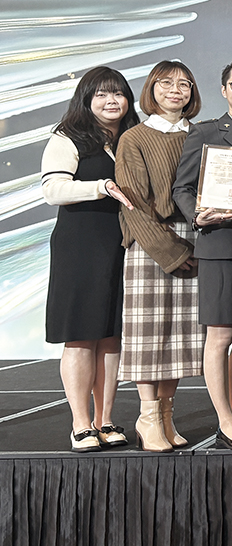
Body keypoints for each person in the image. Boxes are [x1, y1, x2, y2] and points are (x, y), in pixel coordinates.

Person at [172, 58, 232, 452]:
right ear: (224, 90)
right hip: (220, 243)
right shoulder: (205, 132)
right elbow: (182, 188)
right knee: (220, 335)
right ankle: (225, 421)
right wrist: (196, 215)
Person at [42, 67, 140, 451]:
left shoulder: (132, 138)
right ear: (86, 99)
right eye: (101, 94)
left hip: (121, 245)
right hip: (80, 247)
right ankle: (81, 424)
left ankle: (106, 419)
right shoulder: (67, 136)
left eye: (118, 93)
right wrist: (102, 186)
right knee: (82, 336)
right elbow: (53, 190)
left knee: (111, 336)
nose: (111, 101)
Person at [115, 61, 203, 452]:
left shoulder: (201, 134)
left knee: (180, 337)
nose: (176, 90)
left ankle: (166, 415)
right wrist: (169, 250)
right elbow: (132, 202)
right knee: (148, 335)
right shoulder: (134, 137)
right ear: (151, 88)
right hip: (150, 242)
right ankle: (147, 416)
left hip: (195, 238)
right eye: (166, 83)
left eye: (185, 84)